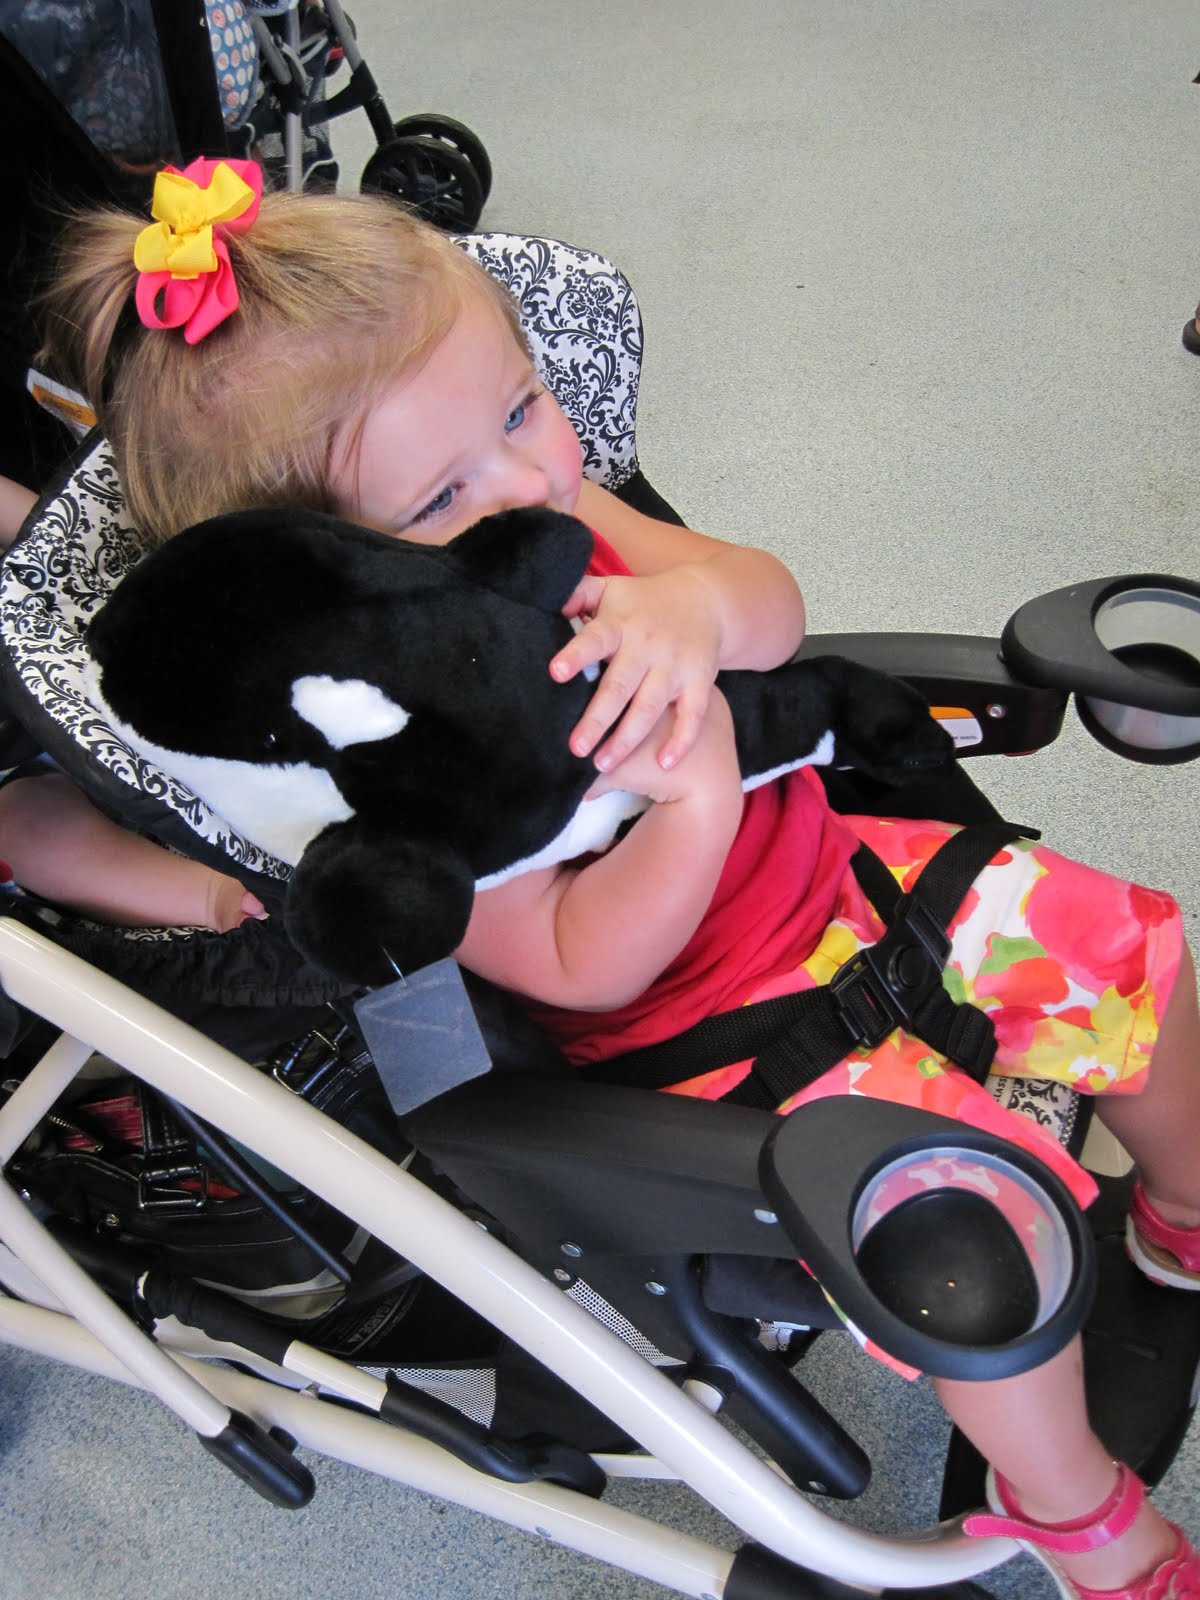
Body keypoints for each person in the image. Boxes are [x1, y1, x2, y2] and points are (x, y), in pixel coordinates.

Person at [37, 156, 1200, 1599]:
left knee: (1137, 949)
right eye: (444, 493)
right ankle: (1072, 1507)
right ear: (329, 581)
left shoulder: (559, 530)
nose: (531, 479)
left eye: (523, 405)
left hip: (852, 883)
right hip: (710, 1046)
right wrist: (696, 802)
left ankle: (1178, 1211)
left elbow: (768, 603)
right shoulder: (399, 768)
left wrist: (693, 607)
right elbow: (578, 962)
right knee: (975, 1244)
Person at [0, 468, 264, 933]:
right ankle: (212, 898)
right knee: (17, 827)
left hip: (83, 619)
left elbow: (48, 532)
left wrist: (54, 556)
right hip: (48, 757)